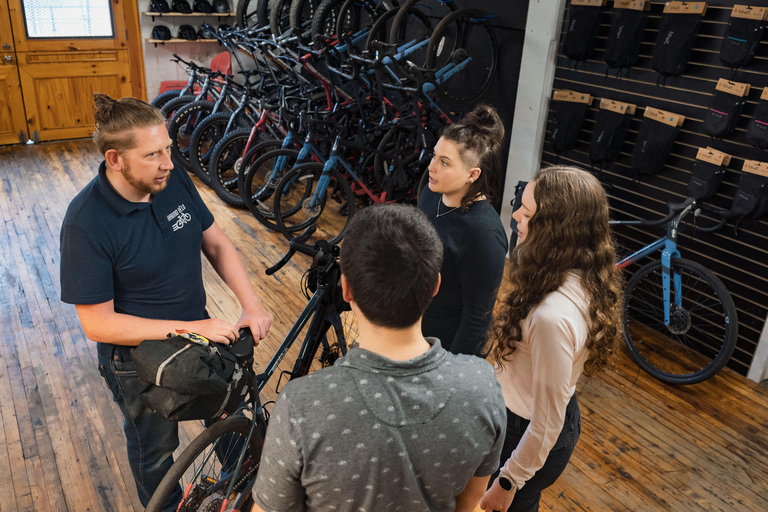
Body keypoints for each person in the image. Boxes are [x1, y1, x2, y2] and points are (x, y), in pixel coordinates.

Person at [59, 93, 272, 511]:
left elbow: (216, 242)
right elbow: (98, 325)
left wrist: (252, 305)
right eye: (153, 154)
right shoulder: (86, 222)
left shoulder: (170, 180)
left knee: (232, 422)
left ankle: (246, 489)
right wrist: (191, 328)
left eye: (168, 149)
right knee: (155, 453)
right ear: (116, 159)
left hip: (201, 332)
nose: (168, 162)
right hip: (137, 361)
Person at [250, 204, 507, 512]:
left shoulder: (302, 404)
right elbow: (470, 503)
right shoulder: (482, 386)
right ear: (435, 286)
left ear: (346, 289)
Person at [479, 166, 623, 512]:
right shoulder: (579, 272)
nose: (515, 216)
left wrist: (508, 481)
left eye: (526, 213)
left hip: (525, 437)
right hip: (532, 425)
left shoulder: (551, 317)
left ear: (556, 230)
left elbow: (546, 423)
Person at [418, 104, 508, 356]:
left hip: (444, 349)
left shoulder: (484, 236)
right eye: (434, 155)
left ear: (472, 174)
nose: (432, 167)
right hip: (414, 334)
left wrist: (449, 373)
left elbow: (477, 322)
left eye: (444, 162)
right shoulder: (431, 193)